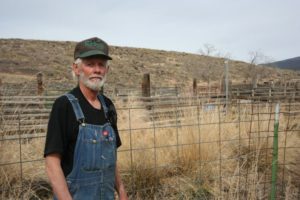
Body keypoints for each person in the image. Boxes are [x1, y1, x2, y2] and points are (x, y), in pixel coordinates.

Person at [44, 37, 128, 200]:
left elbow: (111, 159)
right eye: (90, 64)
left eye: (101, 65)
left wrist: (122, 191)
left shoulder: (108, 106)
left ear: (107, 70)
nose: (97, 70)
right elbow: (52, 163)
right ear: (76, 68)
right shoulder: (64, 106)